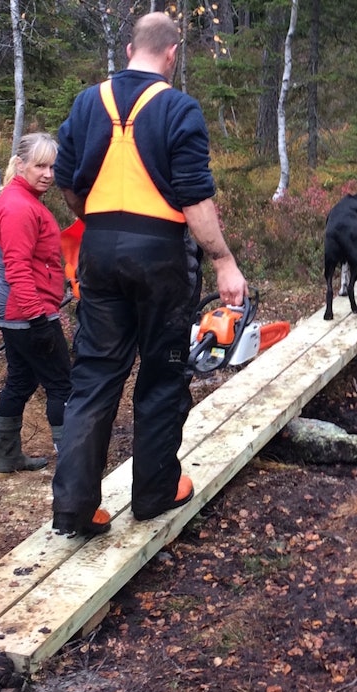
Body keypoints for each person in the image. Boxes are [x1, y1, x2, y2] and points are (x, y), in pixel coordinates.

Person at [51, 12, 247, 537]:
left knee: (93, 376)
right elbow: (194, 197)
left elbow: (67, 182)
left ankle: (74, 508)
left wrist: (93, 219)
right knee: (161, 375)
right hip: (161, 254)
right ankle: (155, 490)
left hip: (99, 250)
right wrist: (224, 260)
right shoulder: (178, 107)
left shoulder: (87, 102)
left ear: (130, 47)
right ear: (171, 53)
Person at [0, 132, 71, 474]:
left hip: (17, 309)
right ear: (20, 164)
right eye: (40, 165)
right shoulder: (19, 207)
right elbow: (18, 268)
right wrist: (38, 320)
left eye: (52, 166)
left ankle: (7, 456)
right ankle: (74, 463)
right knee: (62, 384)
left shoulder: (22, 198)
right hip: (24, 311)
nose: (48, 174)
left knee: (21, 381)